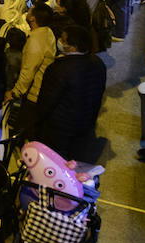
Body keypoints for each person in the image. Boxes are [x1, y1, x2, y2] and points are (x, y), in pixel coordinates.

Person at [32, 25, 107, 162]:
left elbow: (46, 102)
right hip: (85, 125)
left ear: (73, 47)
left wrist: (37, 123)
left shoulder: (59, 69)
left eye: (63, 39)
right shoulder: (98, 63)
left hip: (60, 129)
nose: (59, 41)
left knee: (56, 164)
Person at [5, 3, 57, 138]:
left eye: (30, 11)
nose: (27, 12)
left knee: (21, 133)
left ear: (33, 18)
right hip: (41, 92)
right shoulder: (47, 32)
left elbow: (28, 71)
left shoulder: (35, 41)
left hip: (34, 95)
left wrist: (15, 92)